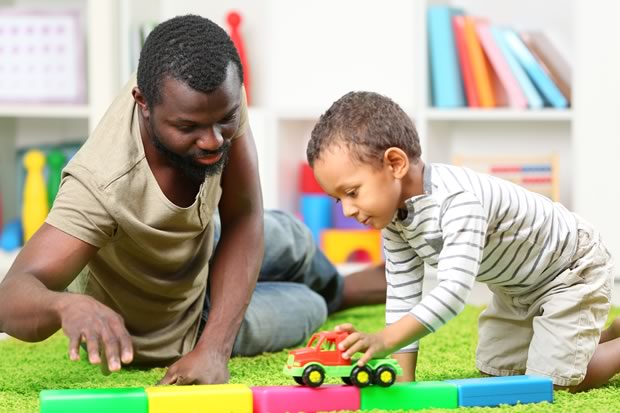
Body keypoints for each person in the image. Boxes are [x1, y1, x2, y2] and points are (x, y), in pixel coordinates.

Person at [0, 15, 386, 385]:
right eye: (188, 128)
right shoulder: (101, 183)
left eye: (226, 120)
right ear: (143, 101)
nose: (214, 140)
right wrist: (64, 306)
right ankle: (339, 293)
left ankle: (342, 286)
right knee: (308, 306)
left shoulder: (213, 92)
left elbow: (243, 215)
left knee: (295, 235)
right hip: (174, 325)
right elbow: (11, 296)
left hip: (201, 241)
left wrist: (219, 349)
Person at [306, 90, 620, 392]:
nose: (347, 210)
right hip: (516, 287)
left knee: (552, 383)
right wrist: (405, 382)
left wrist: (386, 339)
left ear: (395, 164)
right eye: (338, 200)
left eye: (352, 192)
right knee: (499, 373)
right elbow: (402, 294)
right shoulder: (395, 220)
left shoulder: (456, 201)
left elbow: (453, 293)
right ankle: (600, 337)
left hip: (569, 270)